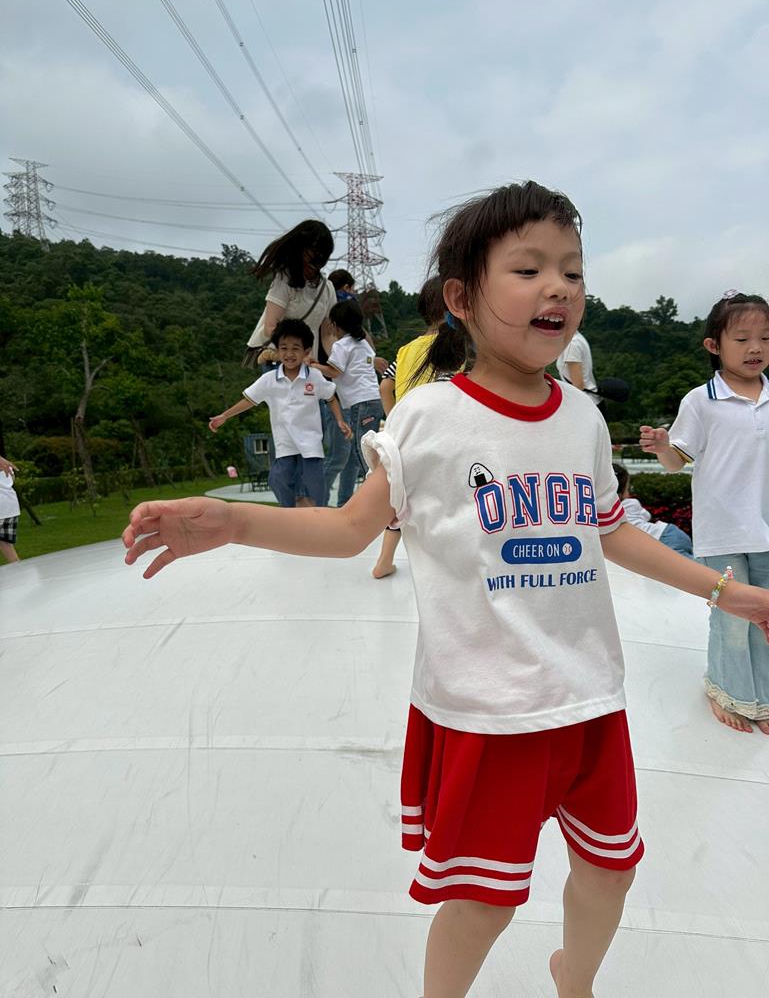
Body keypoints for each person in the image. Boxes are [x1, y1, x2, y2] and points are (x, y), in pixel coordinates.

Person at [123, 182, 769, 998]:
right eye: (528, 269)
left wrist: (728, 593)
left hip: (590, 701)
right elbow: (351, 529)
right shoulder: (428, 416)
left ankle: (574, 981)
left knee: (611, 871)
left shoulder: (581, 419)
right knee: (483, 901)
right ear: (461, 299)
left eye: (572, 271)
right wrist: (232, 522)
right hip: (487, 711)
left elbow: (610, 532)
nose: (558, 287)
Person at [640, 291, 769, 735]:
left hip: (767, 529)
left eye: (765, 338)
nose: (755, 348)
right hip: (723, 530)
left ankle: (763, 697)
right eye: (743, 339)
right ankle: (728, 691)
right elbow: (678, 460)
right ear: (714, 345)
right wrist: (663, 446)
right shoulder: (701, 400)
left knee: (766, 617)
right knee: (733, 619)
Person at [210, 319, 350, 508]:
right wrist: (225, 416)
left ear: (306, 351)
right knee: (277, 478)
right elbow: (249, 400)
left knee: (315, 483)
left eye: (295, 349)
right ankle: (290, 510)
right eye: (284, 348)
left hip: (310, 442)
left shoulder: (314, 376)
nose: (289, 354)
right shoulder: (269, 380)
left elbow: (331, 397)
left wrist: (339, 420)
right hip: (285, 443)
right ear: (277, 350)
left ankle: (319, 514)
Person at [373, 276, 449, 578]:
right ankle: (440, 562)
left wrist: (395, 420)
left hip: (404, 437)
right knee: (441, 499)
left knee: (400, 501)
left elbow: (385, 386)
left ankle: (384, 560)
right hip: (438, 435)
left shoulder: (405, 350)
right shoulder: (454, 347)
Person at [310, 299, 385, 506]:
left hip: (360, 403)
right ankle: (347, 502)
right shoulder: (363, 344)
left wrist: (314, 366)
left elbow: (334, 371)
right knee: (360, 452)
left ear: (335, 325)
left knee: (363, 453)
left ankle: (375, 498)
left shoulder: (342, 345)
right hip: (373, 401)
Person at [245, 220, 337, 366]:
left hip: (308, 363)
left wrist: (338, 362)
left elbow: (328, 335)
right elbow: (270, 328)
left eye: (322, 256)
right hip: (278, 359)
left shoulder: (327, 288)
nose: (316, 261)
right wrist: (295, 353)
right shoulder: (284, 280)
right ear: (300, 250)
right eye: (312, 255)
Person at [612, 463, 693, 557]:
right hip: (666, 535)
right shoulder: (631, 503)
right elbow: (647, 516)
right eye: (628, 488)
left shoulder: (608, 511)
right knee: (689, 562)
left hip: (663, 537)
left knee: (686, 563)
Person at [556, 327, 604, 412]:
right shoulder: (577, 337)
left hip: (585, 404)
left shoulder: (572, 344)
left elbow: (578, 385)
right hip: (591, 401)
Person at [0, 455, 20, 563]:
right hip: (10, 505)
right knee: (5, 543)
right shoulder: (5, 464)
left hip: (4, 505)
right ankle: (18, 568)